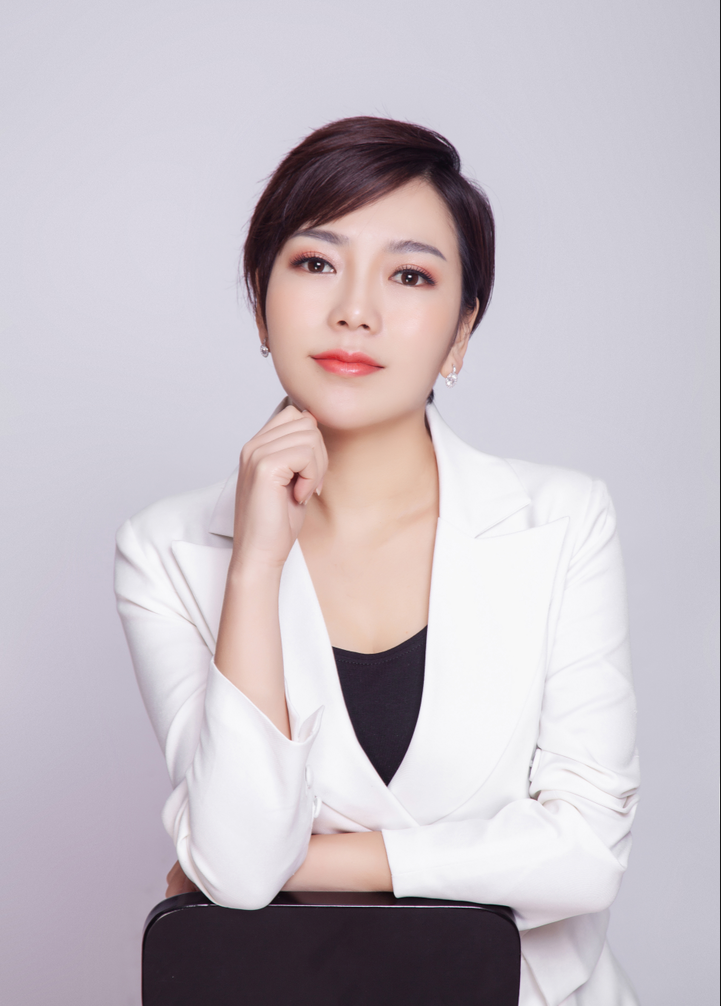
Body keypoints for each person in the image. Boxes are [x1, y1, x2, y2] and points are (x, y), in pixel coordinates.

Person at [115, 117, 640, 1005]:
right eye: (315, 263)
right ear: (260, 305)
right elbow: (238, 864)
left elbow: (586, 855)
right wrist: (254, 566)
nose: (354, 310)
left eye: (409, 275)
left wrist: (318, 863)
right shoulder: (165, 549)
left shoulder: (559, 521)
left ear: (461, 331)